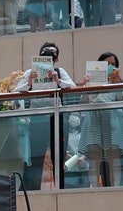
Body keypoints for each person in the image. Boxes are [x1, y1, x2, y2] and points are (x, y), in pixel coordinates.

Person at [16, 41, 77, 190]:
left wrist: (58, 80)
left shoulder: (60, 71)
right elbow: (16, 92)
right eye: (45, 54)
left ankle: (61, 189)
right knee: (36, 157)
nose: (48, 56)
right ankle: (33, 190)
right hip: (38, 119)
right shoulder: (30, 72)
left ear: (56, 59)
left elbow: (73, 88)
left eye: (52, 55)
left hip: (58, 119)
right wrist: (29, 83)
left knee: (59, 156)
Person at [78, 52, 123, 187]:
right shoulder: (91, 80)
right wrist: (86, 87)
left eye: (113, 64)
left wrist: (118, 85)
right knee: (94, 158)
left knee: (113, 156)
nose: (111, 67)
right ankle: (94, 188)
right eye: (107, 64)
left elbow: (122, 102)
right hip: (94, 122)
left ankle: (115, 187)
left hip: (112, 122)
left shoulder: (117, 82)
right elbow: (82, 103)